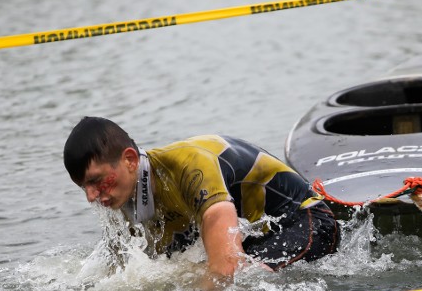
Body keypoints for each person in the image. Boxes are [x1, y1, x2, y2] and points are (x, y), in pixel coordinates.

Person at [63, 116, 340, 278]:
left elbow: (227, 266)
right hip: (255, 233)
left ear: (130, 160)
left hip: (307, 222)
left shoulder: (189, 166)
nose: (91, 196)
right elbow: (119, 275)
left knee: (239, 279)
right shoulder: (121, 196)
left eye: (96, 181)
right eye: (83, 187)